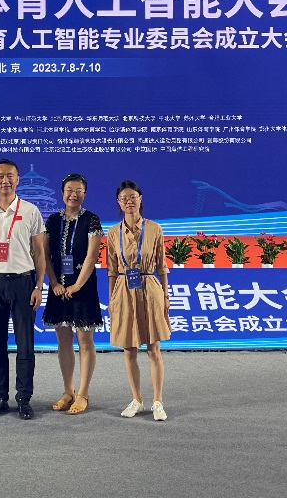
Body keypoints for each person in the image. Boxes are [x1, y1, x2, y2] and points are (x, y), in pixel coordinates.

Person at [0, 159, 47, 420]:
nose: (5, 180)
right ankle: (0, 397)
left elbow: (39, 252)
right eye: (0, 176)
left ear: (18, 179)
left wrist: (39, 285)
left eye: (10, 176)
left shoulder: (30, 211)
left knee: (25, 344)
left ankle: (24, 398)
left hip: (23, 283)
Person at [106, 180, 172, 421]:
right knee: (129, 350)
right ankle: (137, 400)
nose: (129, 202)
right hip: (124, 289)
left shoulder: (154, 229)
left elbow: (162, 266)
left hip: (150, 289)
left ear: (140, 199)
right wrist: (112, 299)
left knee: (154, 349)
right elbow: (111, 270)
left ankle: (158, 401)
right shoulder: (113, 233)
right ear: (118, 202)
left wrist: (165, 296)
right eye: (124, 198)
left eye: (132, 197)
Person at [42, 173, 104, 415]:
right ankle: (68, 391)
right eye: (69, 190)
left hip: (83, 287)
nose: (73, 194)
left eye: (78, 190)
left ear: (84, 194)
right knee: (64, 340)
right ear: (62, 193)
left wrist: (77, 285)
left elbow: (92, 255)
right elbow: (45, 255)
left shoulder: (91, 220)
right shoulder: (52, 221)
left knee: (84, 340)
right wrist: (54, 282)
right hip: (58, 287)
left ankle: (83, 393)